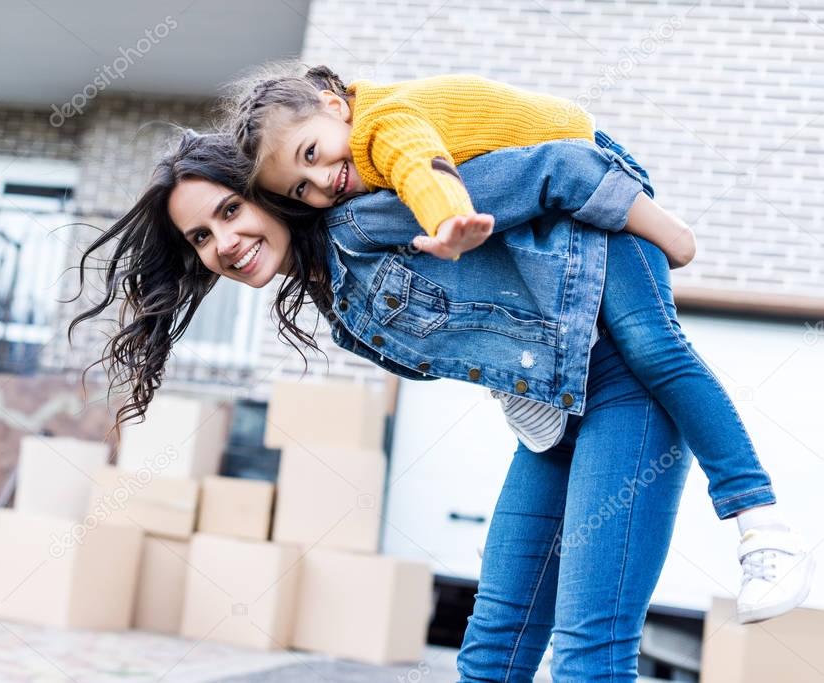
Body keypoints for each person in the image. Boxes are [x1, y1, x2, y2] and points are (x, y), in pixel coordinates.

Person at [71, 131, 693, 679]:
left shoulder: (375, 216)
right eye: (202, 237)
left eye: (231, 210)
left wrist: (665, 247)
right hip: (554, 421)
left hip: (626, 388)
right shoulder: (335, 297)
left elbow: (555, 168)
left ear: (269, 191)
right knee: (490, 653)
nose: (225, 242)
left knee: (589, 654)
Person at [224, 64, 814, 623]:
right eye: (301, 190)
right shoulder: (351, 193)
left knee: (652, 346)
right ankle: (529, 391)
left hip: (599, 177)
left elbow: (421, 167)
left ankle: (763, 526)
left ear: (335, 107)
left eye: (312, 154)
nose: (322, 181)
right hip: (565, 213)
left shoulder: (382, 123)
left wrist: (447, 219)